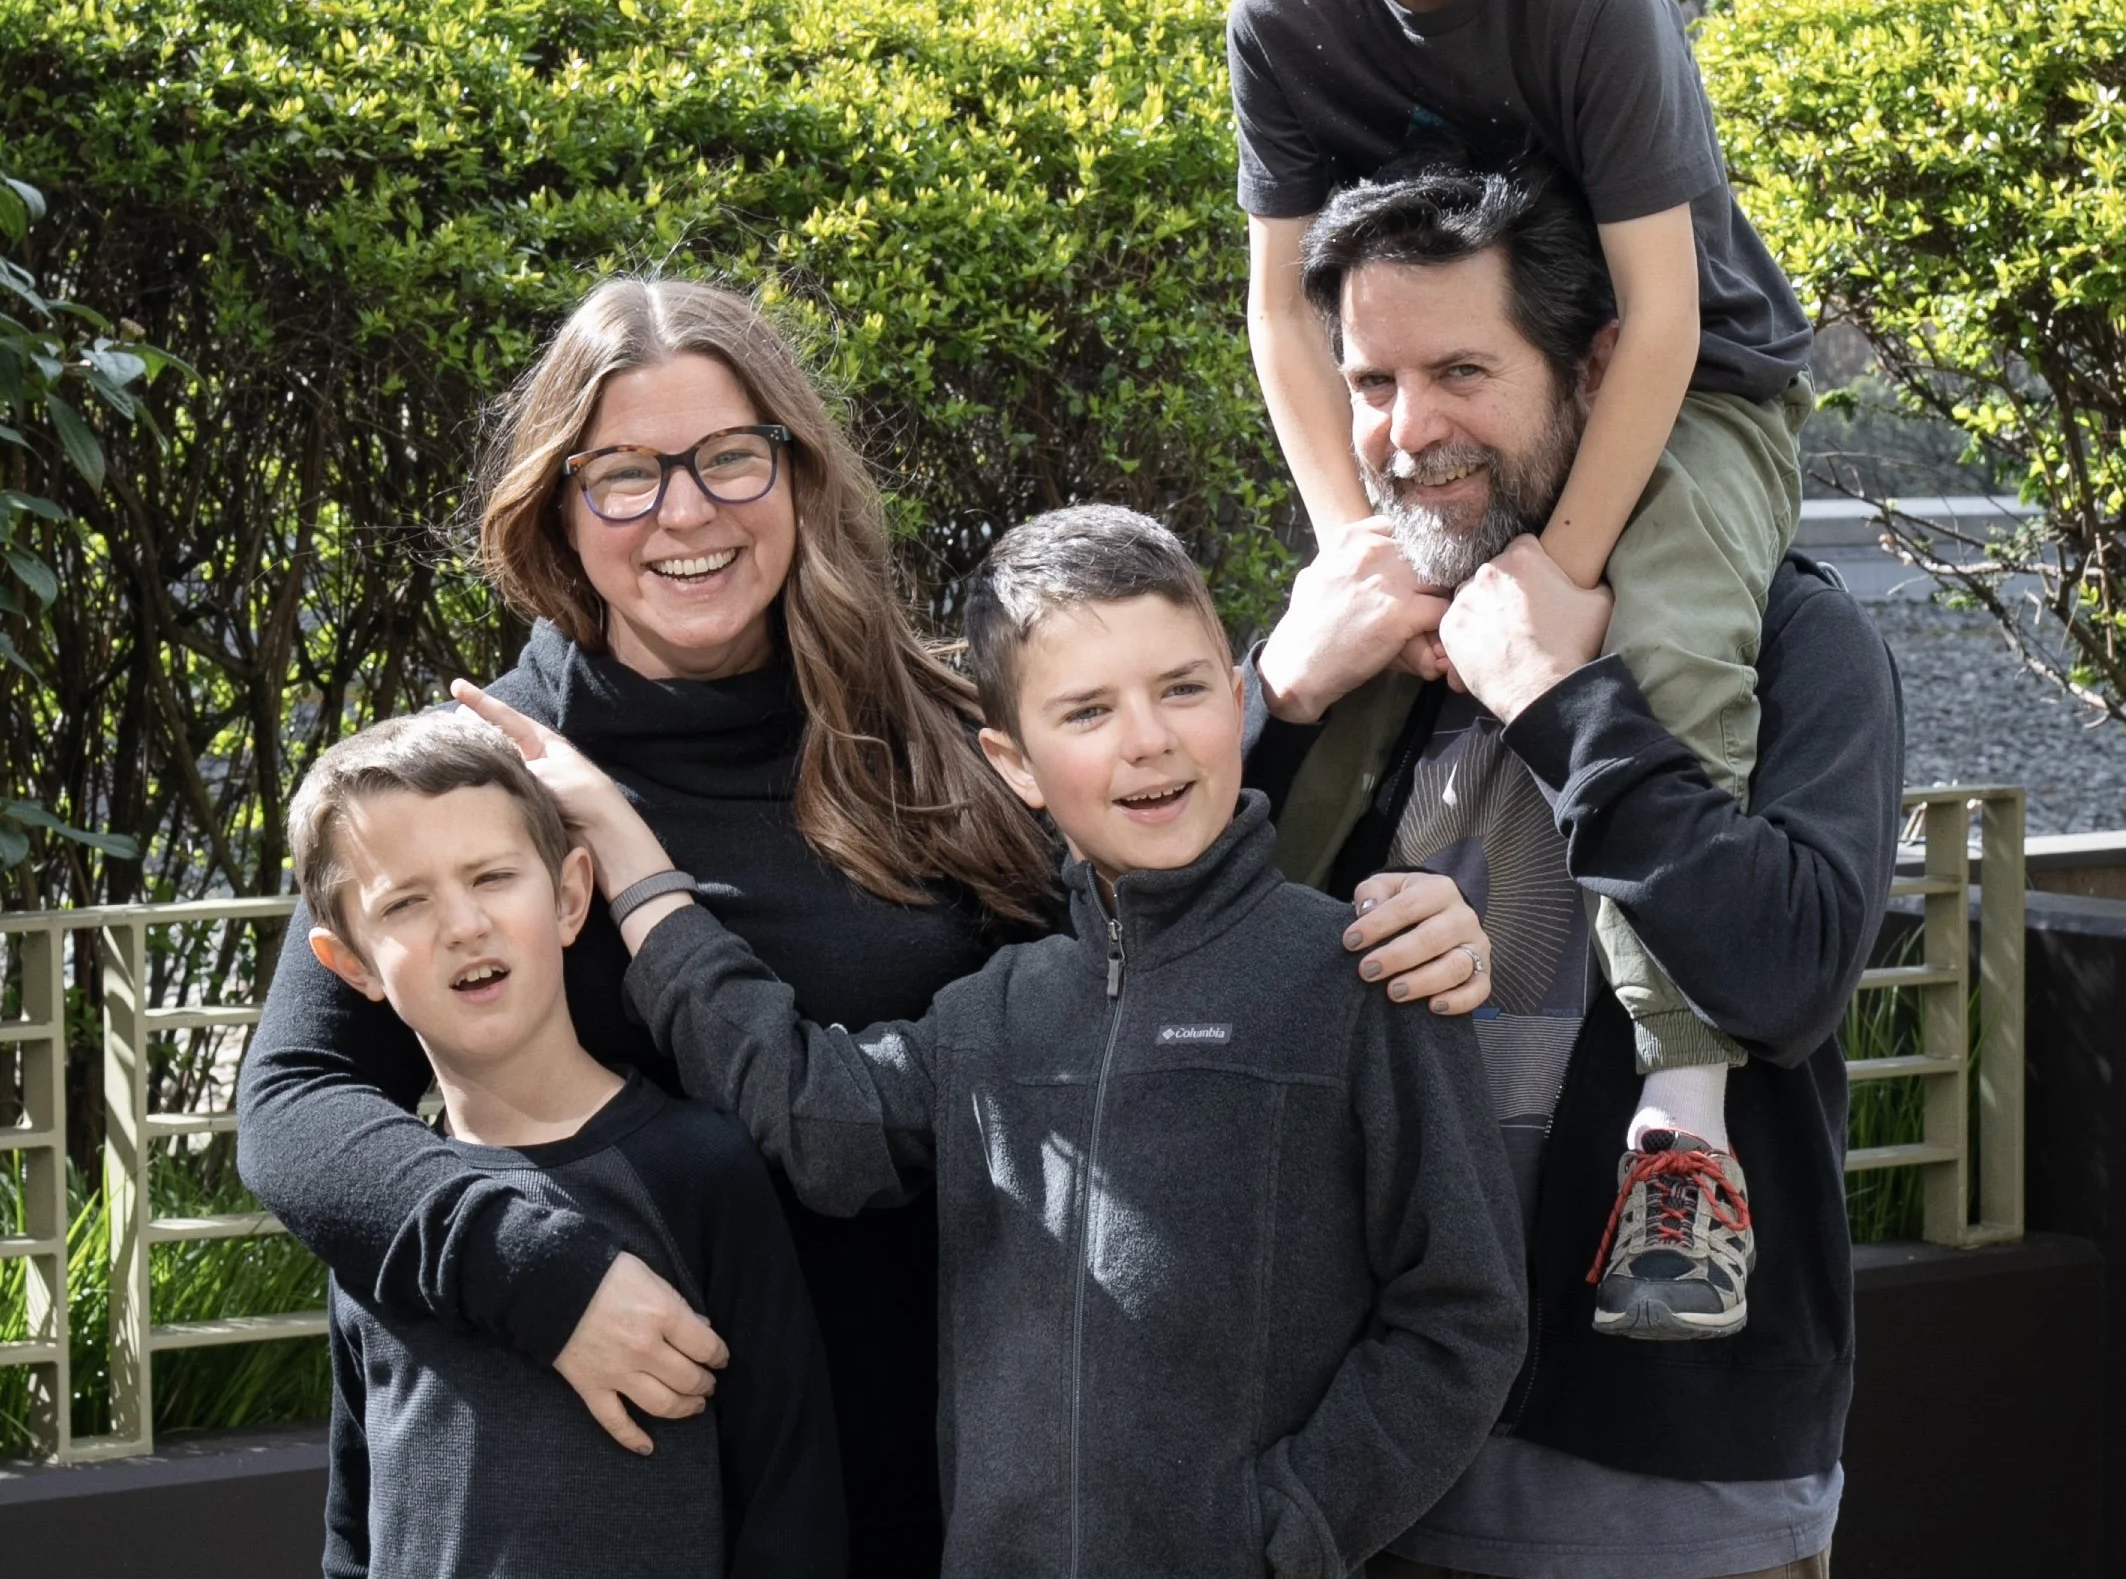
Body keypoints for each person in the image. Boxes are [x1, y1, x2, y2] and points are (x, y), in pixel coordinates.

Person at [460, 502, 1531, 1579]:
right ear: (1012, 763)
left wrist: (1287, 1528)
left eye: (1182, 687)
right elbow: (812, 1114)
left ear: (1234, 691)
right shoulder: (992, 1014)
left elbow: (1461, 1318)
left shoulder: (1359, 969)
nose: (1147, 737)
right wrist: (633, 862)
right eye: (1086, 710)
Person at [241, 278, 1057, 1579]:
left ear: (796, 471)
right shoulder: (479, 772)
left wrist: (1395, 911)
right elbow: (295, 1102)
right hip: (613, 1514)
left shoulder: (943, 735)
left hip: (946, 1498)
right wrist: (538, 1270)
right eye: (622, 473)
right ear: (562, 507)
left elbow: (1135, 958)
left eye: (729, 458)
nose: (684, 511)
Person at [1228, 0, 1819, 1336]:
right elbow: (1284, 306)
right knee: (1344, 667)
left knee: (1663, 641)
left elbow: (1660, 314)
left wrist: (1558, 571)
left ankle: (1681, 1129)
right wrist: (1355, 540)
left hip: (1687, 383)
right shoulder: (1279, 15)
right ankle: (1241, 1049)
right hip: (1452, 389)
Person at [1245, 162, 1902, 1579]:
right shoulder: (1359, 654)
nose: (1405, 433)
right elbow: (1140, 959)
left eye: (1461, 370)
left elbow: (1784, 971)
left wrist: (1560, 703)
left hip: (1665, 1503)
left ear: (1594, 368)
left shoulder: (1790, 639)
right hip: (1350, 1474)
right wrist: (1268, 705)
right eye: (1369, 380)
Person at [290, 707, 842, 1579]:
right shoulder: (378, 1216)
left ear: (572, 894)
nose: (463, 924)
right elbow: (352, 1522)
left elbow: (790, 1497)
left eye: (492, 876)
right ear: (350, 963)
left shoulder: (702, 1168)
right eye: (406, 901)